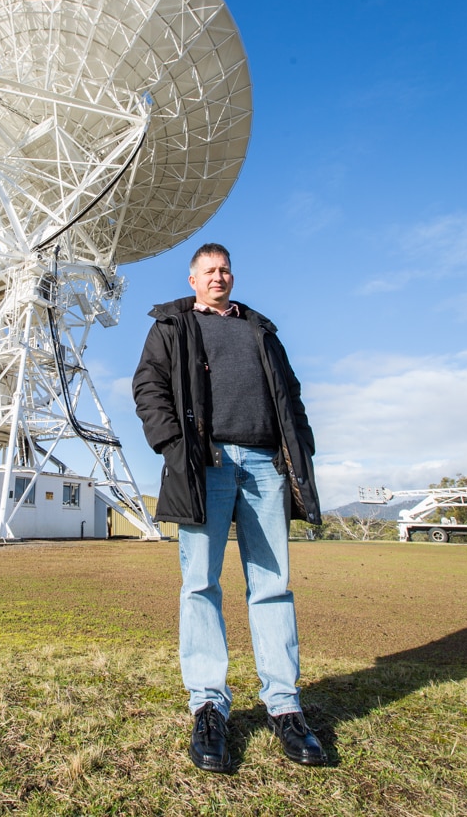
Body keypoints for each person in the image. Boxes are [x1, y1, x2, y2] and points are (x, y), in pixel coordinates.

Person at [132, 242, 326, 771]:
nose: (219, 277)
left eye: (225, 270)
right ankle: (208, 707)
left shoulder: (260, 330)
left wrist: (299, 452)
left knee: (272, 585)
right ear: (193, 279)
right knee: (200, 583)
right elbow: (149, 389)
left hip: (266, 466)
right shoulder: (172, 326)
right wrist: (178, 446)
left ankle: (285, 707)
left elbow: (291, 395)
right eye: (209, 271)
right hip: (205, 466)